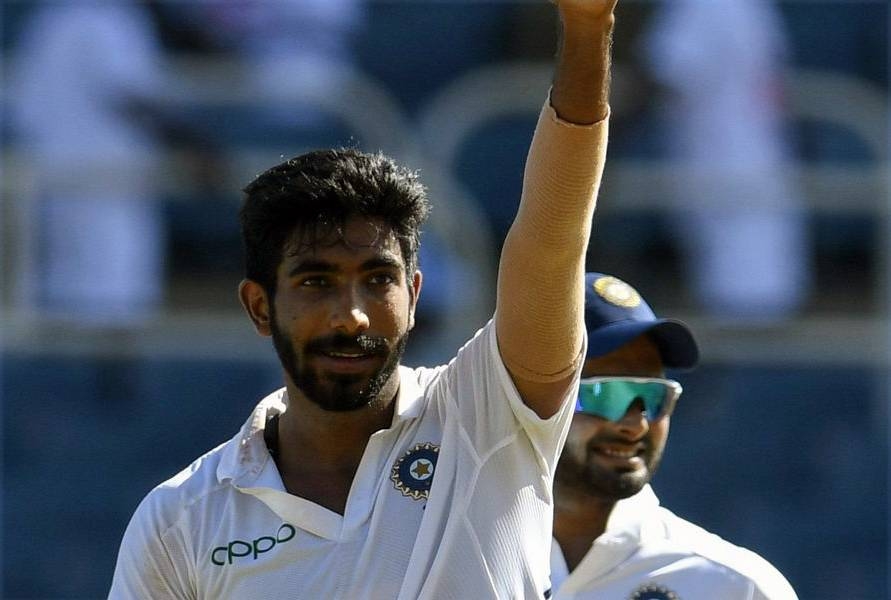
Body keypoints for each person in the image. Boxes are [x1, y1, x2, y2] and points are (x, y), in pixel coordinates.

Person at [109, 0, 617, 597]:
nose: (351, 316)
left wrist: (588, 26)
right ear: (259, 306)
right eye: (315, 282)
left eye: (378, 280)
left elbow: (552, 239)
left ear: (415, 293)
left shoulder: (487, 417)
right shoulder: (181, 521)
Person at [550, 272, 799, 599]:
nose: (635, 425)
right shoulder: (465, 558)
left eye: (655, 398)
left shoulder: (735, 588)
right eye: (603, 394)